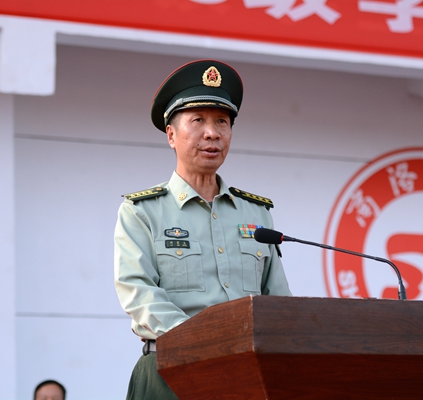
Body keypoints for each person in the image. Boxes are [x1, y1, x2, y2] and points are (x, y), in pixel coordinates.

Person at [114, 59, 292, 399]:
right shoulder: (142, 211)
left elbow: (278, 301)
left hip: (246, 375)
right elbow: (138, 292)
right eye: (198, 120)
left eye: (222, 122)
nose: (212, 133)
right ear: (171, 135)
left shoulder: (256, 213)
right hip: (171, 372)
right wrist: (206, 341)